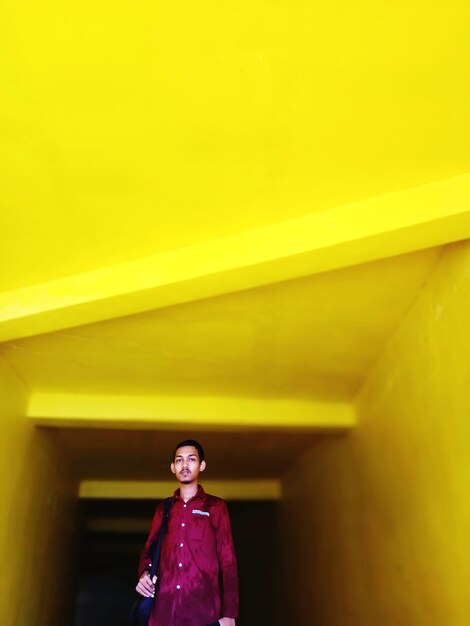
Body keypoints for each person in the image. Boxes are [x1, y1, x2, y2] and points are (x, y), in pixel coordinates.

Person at [136, 439, 238, 626]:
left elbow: (228, 562)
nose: (184, 465)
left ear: (202, 465)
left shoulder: (216, 507)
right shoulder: (163, 509)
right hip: (162, 613)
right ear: (173, 467)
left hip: (202, 613)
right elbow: (148, 551)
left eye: (191, 459)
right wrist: (144, 573)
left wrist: (230, 615)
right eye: (179, 460)